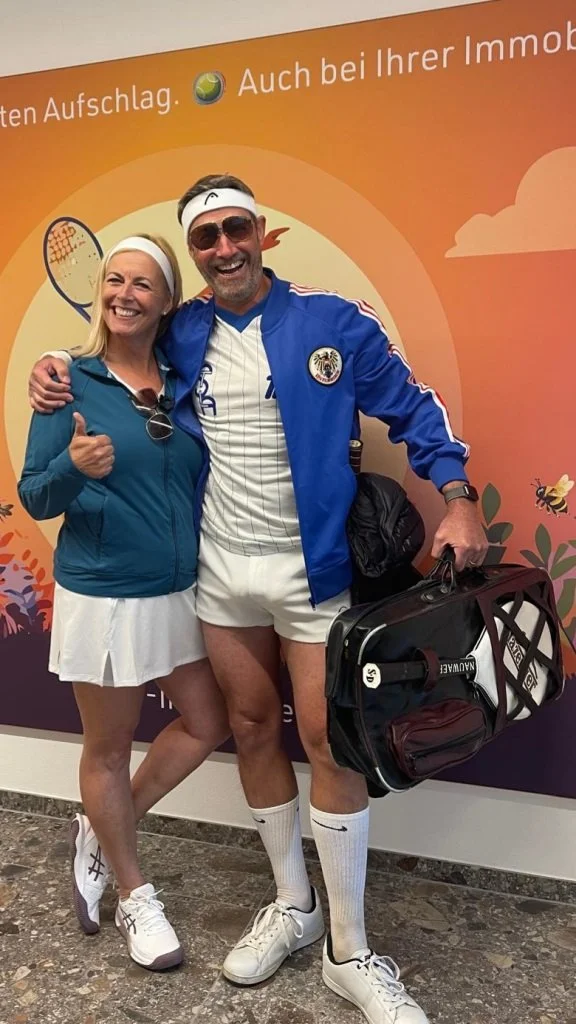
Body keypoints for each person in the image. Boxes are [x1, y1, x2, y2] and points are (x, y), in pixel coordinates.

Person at [29, 178, 488, 1023]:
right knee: (247, 727)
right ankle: (292, 905)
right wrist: (52, 368)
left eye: (235, 229)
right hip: (220, 575)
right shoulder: (184, 328)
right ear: (195, 253)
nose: (224, 248)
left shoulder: (333, 320)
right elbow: (116, 344)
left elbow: (412, 407)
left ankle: (351, 951)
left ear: (261, 231)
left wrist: (457, 495)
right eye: (205, 238)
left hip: (314, 573)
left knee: (329, 743)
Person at [19, 234, 229, 971]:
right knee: (108, 749)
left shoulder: (181, 380)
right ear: (99, 291)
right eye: (115, 280)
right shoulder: (66, 380)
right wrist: (73, 466)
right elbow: (35, 495)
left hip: (177, 588)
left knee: (207, 723)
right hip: (104, 593)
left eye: (143, 284)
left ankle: (102, 831)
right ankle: (136, 893)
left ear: (167, 301)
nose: (125, 294)